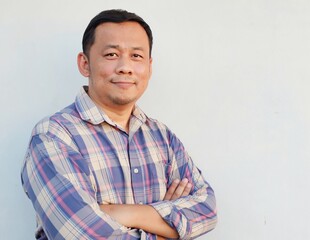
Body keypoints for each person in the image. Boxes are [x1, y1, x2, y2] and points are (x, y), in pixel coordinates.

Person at [21, 9, 217, 240]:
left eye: (136, 56)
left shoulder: (162, 137)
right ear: (85, 64)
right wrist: (169, 226)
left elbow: (207, 210)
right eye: (112, 54)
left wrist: (123, 213)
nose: (125, 67)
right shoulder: (53, 136)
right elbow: (86, 236)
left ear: (149, 66)